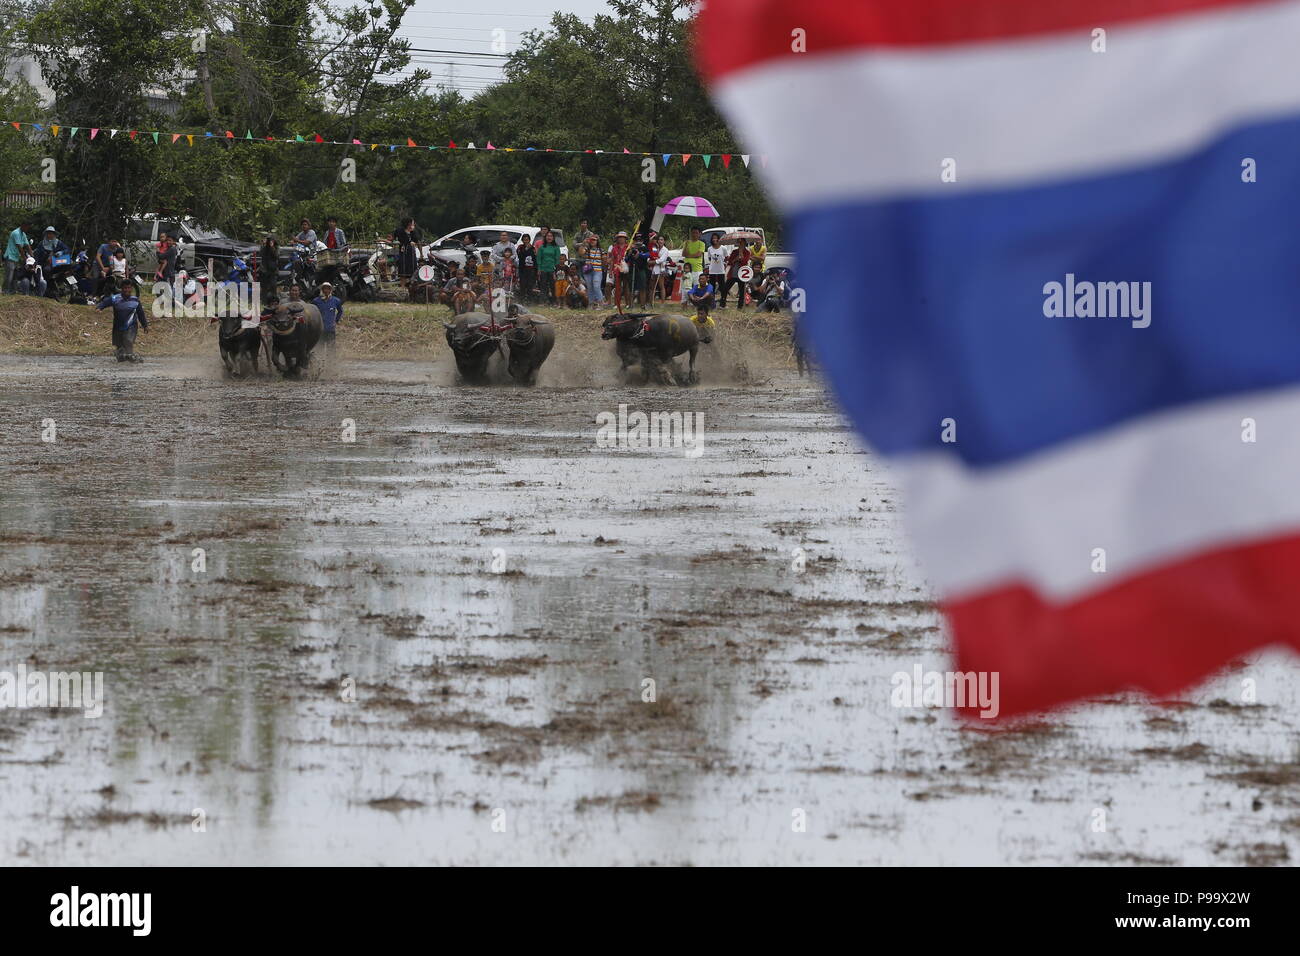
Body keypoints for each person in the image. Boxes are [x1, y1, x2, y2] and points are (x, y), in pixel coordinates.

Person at [96, 279, 148, 362]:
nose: (127, 290)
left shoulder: (135, 300)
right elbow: (105, 302)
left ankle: (132, 358)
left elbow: (141, 314)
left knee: (128, 340)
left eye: (129, 288)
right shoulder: (115, 298)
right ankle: (122, 358)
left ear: (131, 289)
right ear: (121, 289)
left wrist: (145, 325)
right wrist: (100, 308)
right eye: (125, 288)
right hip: (118, 327)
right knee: (119, 347)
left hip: (131, 326)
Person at [721, 238, 751, 310]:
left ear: (744, 243)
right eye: (739, 243)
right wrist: (736, 259)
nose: (740, 244)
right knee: (725, 289)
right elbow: (730, 262)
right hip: (733, 273)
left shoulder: (747, 252)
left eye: (742, 243)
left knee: (741, 291)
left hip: (742, 274)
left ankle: (740, 307)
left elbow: (744, 262)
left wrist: (741, 254)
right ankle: (722, 304)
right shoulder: (734, 251)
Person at [4, 220, 33, 293]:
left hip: (16, 257)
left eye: (29, 227)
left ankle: (13, 291)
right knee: (9, 276)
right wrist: (25, 259)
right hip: (10, 256)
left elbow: (27, 246)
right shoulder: (16, 233)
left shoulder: (23, 234)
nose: (27, 229)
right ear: (23, 225)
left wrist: (32, 258)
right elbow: (20, 248)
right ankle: (5, 291)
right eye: (27, 227)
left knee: (15, 275)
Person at [686, 272, 716, 344]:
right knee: (690, 295)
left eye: (703, 279)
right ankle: (698, 307)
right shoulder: (696, 286)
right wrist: (693, 298)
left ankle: (709, 308)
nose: (701, 280)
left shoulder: (709, 286)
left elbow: (708, 293)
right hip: (700, 303)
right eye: (700, 279)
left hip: (707, 302)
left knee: (710, 295)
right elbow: (690, 292)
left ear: (706, 280)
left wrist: (701, 298)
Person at [313, 281, 343, 351]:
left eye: (328, 289)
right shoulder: (316, 301)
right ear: (322, 290)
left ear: (331, 290)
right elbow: (313, 312)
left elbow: (340, 311)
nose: (326, 291)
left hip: (330, 329)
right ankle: (321, 361)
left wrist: (336, 320)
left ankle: (331, 361)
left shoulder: (336, 300)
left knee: (331, 349)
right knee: (320, 348)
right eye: (324, 289)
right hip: (319, 330)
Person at [682, 227, 706, 303]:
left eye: (696, 233)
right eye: (692, 232)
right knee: (687, 287)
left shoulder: (701, 244)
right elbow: (683, 254)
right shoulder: (687, 243)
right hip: (687, 269)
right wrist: (686, 245)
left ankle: (697, 302)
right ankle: (686, 302)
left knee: (697, 287)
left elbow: (698, 254)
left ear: (699, 234)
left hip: (697, 269)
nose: (694, 234)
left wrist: (688, 255)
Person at [536, 230, 561, 305]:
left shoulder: (556, 247)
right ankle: (543, 301)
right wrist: (539, 269)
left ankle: (554, 302)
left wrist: (555, 270)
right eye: (547, 236)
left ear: (553, 238)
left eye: (551, 236)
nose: (549, 237)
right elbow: (539, 258)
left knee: (553, 286)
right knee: (543, 286)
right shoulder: (542, 247)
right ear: (545, 237)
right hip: (543, 269)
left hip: (552, 269)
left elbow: (557, 259)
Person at [581, 235, 604, 307]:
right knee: (590, 287)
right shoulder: (587, 249)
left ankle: (601, 303)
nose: (592, 241)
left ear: (597, 241)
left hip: (597, 270)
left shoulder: (601, 250)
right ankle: (591, 304)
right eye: (591, 240)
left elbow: (604, 259)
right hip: (588, 271)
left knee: (596, 286)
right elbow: (581, 253)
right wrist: (583, 243)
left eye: (594, 240)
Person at [395, 218, 419, 287]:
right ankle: (402, 285)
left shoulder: (413, 232)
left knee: (413, 269)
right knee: (403, 270)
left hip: (411, 253)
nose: (413, 225)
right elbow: (398, 239)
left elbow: (416, 240)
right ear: (408, 224)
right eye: (412, 223)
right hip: (403, 253)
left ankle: (411, 286)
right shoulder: (400, 231)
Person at [704, 234, 727, 306]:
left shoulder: (723, 248)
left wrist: (723, 263)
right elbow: (710, 258)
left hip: (721, 270)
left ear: (718, 239)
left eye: (716, 238)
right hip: (712, 271)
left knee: (722, 287)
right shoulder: (709, 249)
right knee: (712, 287)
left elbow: (726, 257)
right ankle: (712, 303)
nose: (714, 240)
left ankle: (723, 303)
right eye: (713, 238)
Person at [256, 235, 279, 302]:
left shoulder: (276, 247)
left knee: (273, 285)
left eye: (271, 240)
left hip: (273, 270)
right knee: (264, 286)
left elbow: (276, 256)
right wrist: (264, 245)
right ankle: (264, 301)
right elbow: (260, 254)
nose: (269, 242)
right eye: (268, 240)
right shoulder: (264, 247)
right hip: (264, 269)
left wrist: (272, 247)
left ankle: (274, 301)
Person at [515, 237, 538, 301]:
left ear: (529, 240)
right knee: (522, 284)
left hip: (531, 269)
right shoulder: (520, 247)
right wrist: (526, 249)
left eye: (527, 240)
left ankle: (529, 299)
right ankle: (522, 299)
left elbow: (535, 259)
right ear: (522, 240)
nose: (526, 241)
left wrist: (536, 269)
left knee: (530, 284)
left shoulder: (533, 248)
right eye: (524, 240)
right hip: (523, 269)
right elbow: (520, 256)